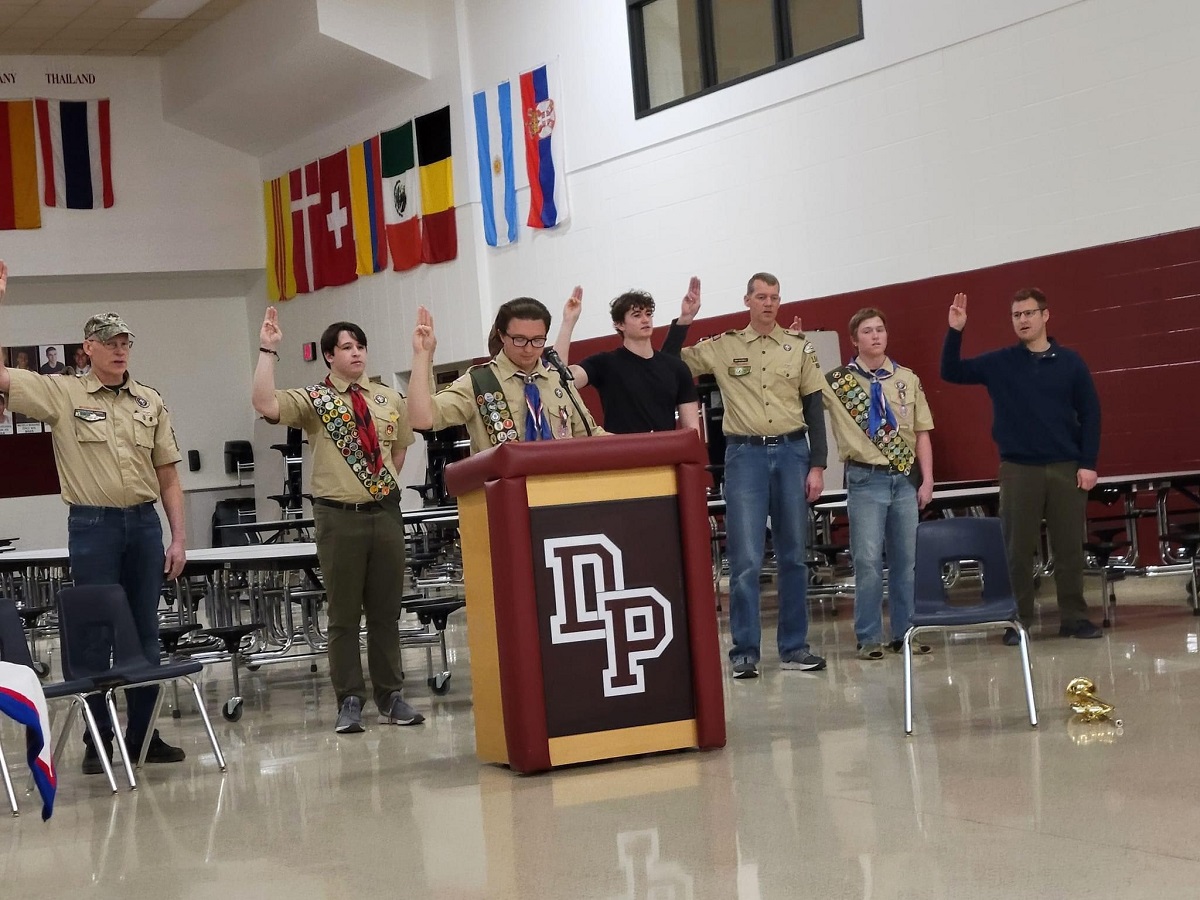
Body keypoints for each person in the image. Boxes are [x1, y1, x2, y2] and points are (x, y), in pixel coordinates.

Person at [0, 303, 189, 774]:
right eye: (110, 342)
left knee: (146, 631)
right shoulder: (62, 394)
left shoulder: (149, 400)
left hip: (144, 526)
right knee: (95, 635)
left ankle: (143, 737)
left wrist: (179, 538)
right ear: (88, 348)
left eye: (125, 342)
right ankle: (97, 740)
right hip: (93, 527)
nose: (120, 350)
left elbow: (168, 475)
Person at [252, 307, 425, 734]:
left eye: (360, 346)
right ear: (329, 356)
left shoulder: (387, 398)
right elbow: (264, 402)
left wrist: (375, 486)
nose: (356, 353)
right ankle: (349, 698)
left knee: (386, 611)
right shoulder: (316, 400)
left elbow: (398, 449)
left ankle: (392, 696)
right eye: (346, 347)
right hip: (338, 516)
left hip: (384, 512)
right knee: (344, 613)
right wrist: (268, 351)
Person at [663, 272, 828, 678]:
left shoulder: (798, 347)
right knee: (746, 560)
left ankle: (794, 647)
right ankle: (744, 653)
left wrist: (818, 465)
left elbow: (814, 409)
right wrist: (684, 320)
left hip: (793, 453)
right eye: (761, 296)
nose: (769, 303)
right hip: (745, 456)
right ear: (747, 301)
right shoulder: (724, 346)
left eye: (774, 296)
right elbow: (668, 364)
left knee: (793, 556)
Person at [941, 288, 1102, 642]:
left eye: (1029, 313)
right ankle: (1019, 620)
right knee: (1017, 548)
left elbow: (1091, 414)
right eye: (1017, 315)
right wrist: (956, 331)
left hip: (1065, 467)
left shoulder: (1071, 362)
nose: (1023, 320)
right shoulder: (1001, 363)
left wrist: (1088, 463)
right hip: (1018, 469)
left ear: (1045, 316)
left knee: (1069, 548)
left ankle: (1074, 617)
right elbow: (950, 371)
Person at [821, 308, 935, 660]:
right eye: (867, 331)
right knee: (868, 560)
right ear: (854, 340)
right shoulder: (837, 381)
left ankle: (905, 633)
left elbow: (921, 433)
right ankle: (868, 637)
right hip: (864, 478)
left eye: (880, 330)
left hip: (902, 478)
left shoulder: (906, 378)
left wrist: (928, 479)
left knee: (906, 562)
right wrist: (800, 345)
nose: (875, 336)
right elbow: (801, 385)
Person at [407, 298, 602, 451]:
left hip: (560, 490)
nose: (528, 349)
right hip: (506, 493)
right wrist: (422, 356)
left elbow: (590, 435)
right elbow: (422, 419)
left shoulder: (558, 379)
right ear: (502, 335)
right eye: (519, 339)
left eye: (537, 340)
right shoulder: (480, 381)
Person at [551, 281, 701, 435]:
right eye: (637, 315)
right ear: (620, 324)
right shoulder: (605, 363)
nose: (645, 319)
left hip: (666, 455)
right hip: (622, 454)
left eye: (648, 314)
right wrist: (568, 322)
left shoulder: (676, 368)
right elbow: (559, 378)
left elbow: (692, 430)